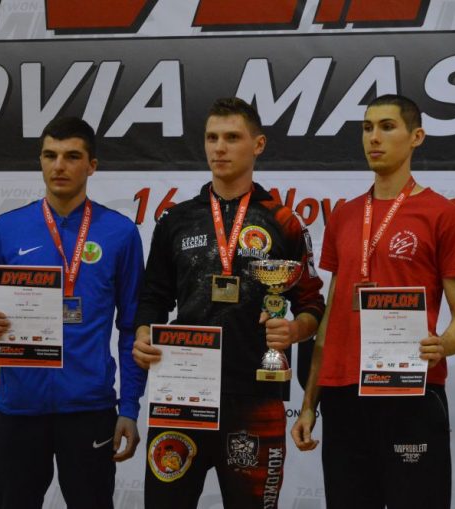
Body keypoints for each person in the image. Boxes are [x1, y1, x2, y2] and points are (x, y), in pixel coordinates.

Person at [132, 97, 325, 509]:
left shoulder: (284, 221)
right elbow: (153, 297)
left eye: (232, 137)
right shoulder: (175, 220)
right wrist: (144, 332)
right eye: (212, 138)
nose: (219, 148)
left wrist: (294, 330)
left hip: (255, 398)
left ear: (258, 144)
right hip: (180, 396)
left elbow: (312, 304)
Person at [291, 94, 455, 509]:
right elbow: (330, 320)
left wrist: (443, 345)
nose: (373, 138)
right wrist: (308, 405)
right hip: (343, 394)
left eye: (387, 127)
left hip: (410, 389)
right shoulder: (344, 215)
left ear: (416, 137)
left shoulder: (442, 214)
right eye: (367, 128)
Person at [0, 116, 147, 509]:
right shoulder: (8, 227)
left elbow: (133, 326)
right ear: (40, 160)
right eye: (50, 155)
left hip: (90, 409)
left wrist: (130, 407)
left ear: (92, 165)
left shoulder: (119, 233)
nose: (59, 166)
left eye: (72, 156)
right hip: (19, 408)